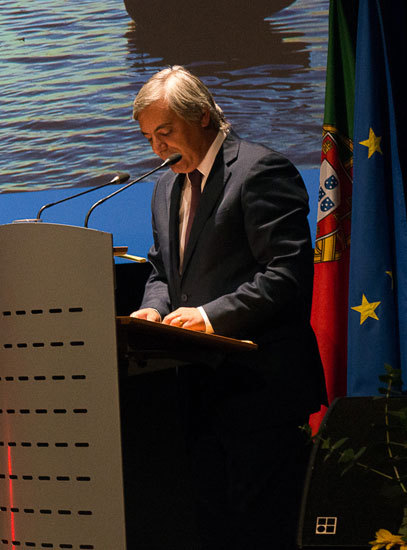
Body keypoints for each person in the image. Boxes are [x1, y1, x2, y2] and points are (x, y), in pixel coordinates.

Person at [126, 66, 326, 549]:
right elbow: (162, 270)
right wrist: (153, 309)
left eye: (166, 132)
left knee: (265, 528)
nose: (157, 148)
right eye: (149, 137)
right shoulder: (164, 186)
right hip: (199, 386)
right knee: (216, 526)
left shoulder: (260, 171)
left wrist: (211, 316)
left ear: (202, 116)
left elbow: (287, 273)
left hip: (262, 386)